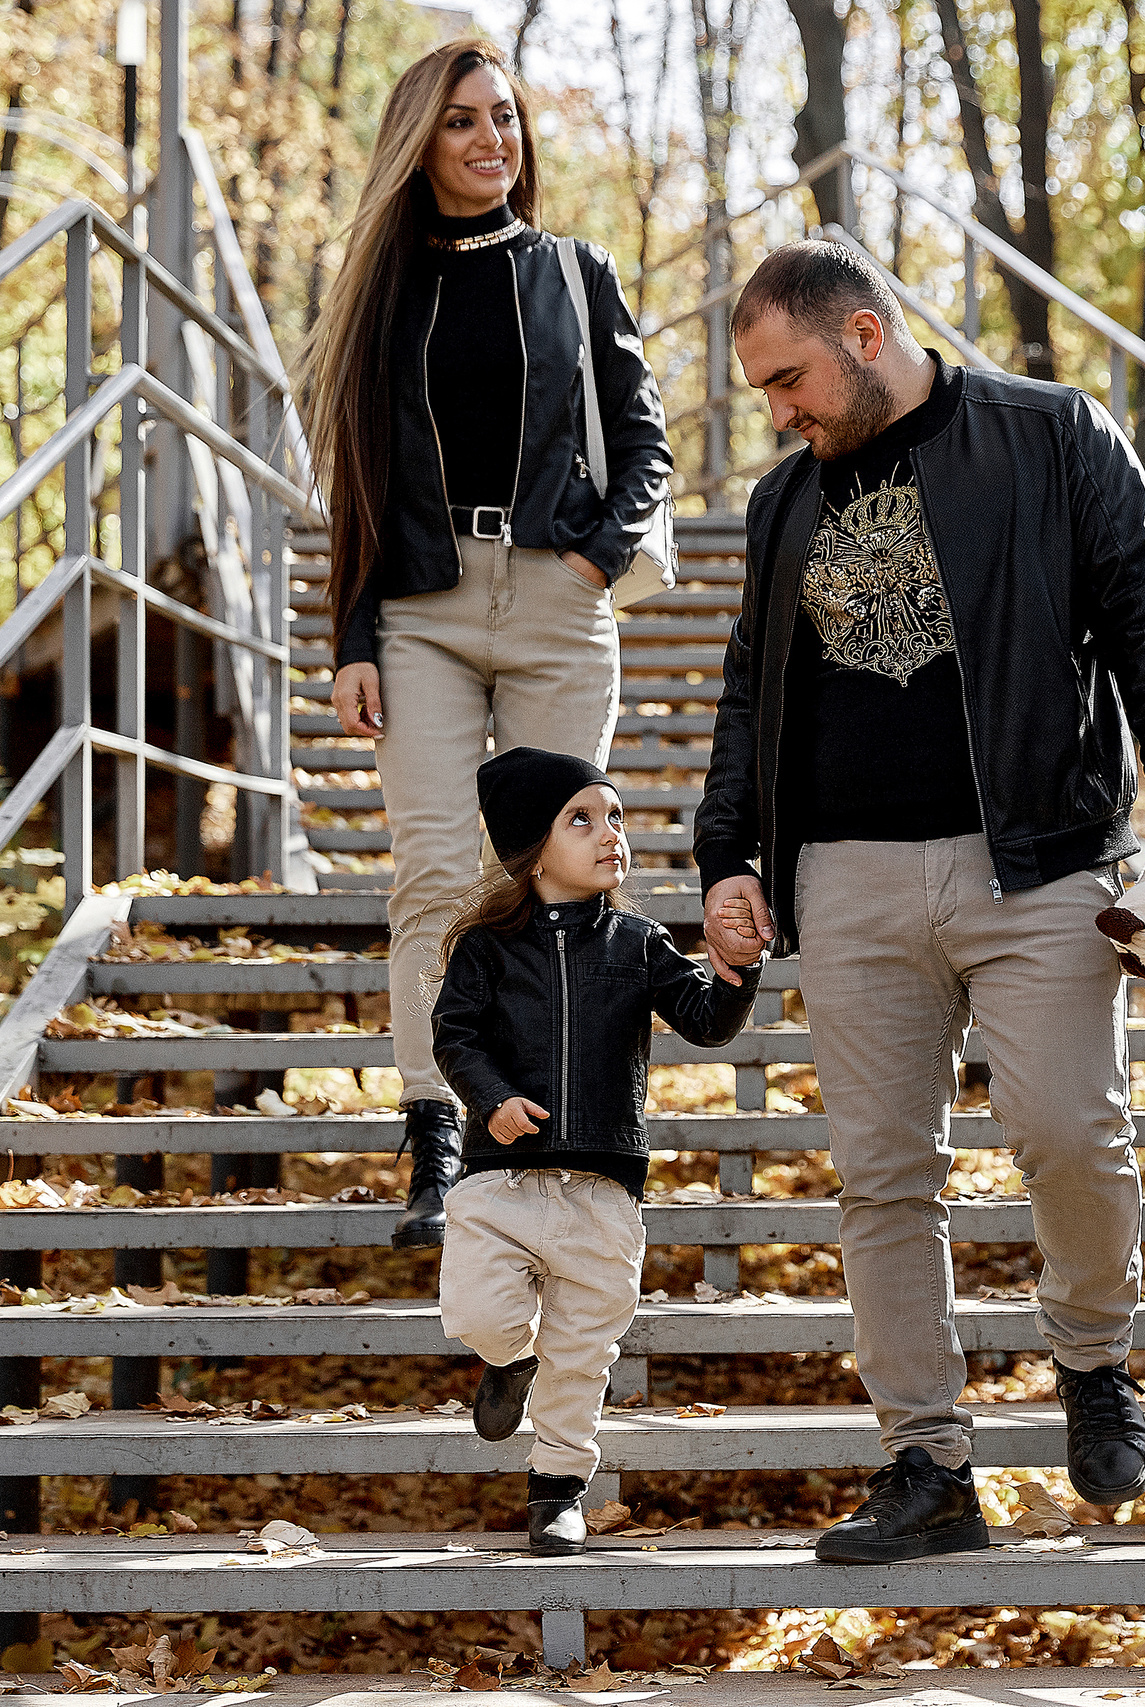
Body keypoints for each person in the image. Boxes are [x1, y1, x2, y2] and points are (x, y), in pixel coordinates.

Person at [693, 241, 1145, 1564]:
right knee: (884, 1179)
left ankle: (1096, 1361)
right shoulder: (785, 505)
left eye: (790, 378)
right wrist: (729, 854)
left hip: (1039, 853)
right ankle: (926, 1460)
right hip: (845, 877)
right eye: (764, 390)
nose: (779, 411)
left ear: (866, 332)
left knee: (1070, 1128)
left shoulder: (1051, 435)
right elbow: (750, 689)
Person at [299, 39, 671, 1249]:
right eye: (460, 121)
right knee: (438, 878)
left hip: (557, 602)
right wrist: (350, 632)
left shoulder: (574, 271)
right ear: (421, 140)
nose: (488, 140)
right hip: (422, 608)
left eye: (503, 118)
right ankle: (438, 1140)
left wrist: (596, 556)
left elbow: (643, 436)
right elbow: (356, 481)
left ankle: (574, 1141)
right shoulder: (379, 290)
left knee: (563, 873)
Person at [432, 747, 762, 1553]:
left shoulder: (639, 942)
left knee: (583, 1349)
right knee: (478, 1310)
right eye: (581, 817)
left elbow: (706, 1020)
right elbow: (455, 1035)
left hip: (603, 1190)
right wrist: (492, 1098)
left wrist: (735, 974)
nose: (609, 832)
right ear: (532, 850)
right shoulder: (484, 948)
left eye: (614, 815)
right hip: (499, 1181)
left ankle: (557, 1489)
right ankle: (509, 1360)